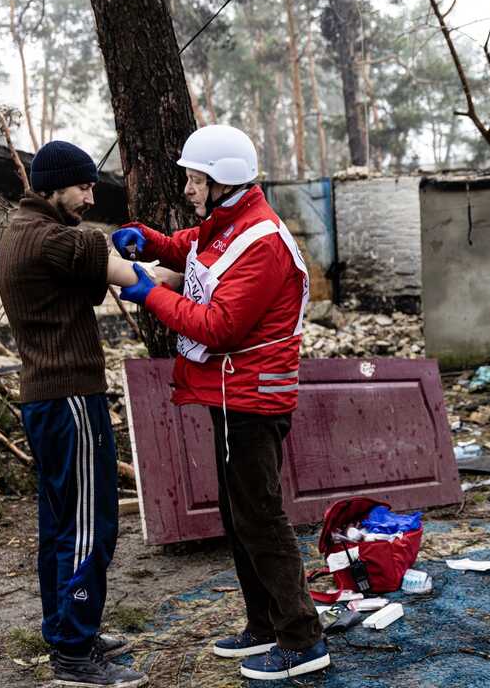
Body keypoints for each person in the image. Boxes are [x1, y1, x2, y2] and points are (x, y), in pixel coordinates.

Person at [111, 125, 329, 682]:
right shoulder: (231, 223)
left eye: (195, 179)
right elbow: (193, 246)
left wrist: (151, 293)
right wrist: (150, 241)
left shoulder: (261, 242)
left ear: (222, 181)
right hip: (236, 392)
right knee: (239, 516)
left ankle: (301, 639)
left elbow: (219, 326)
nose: (187, 188)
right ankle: (264, 624)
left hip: (253, 397)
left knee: (260, 516)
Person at [0, 141, 152, 687]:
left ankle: (65, 629)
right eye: (83, 187)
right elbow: (134, 277)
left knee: (61, 525)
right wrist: (192, 278)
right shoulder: (53, 239)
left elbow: (91, 280)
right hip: (70, 399)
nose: (91, 197)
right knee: (91, 525)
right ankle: (74, 652)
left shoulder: (24, 230)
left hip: (47, 399)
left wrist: (110, 252)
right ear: (53, 187)